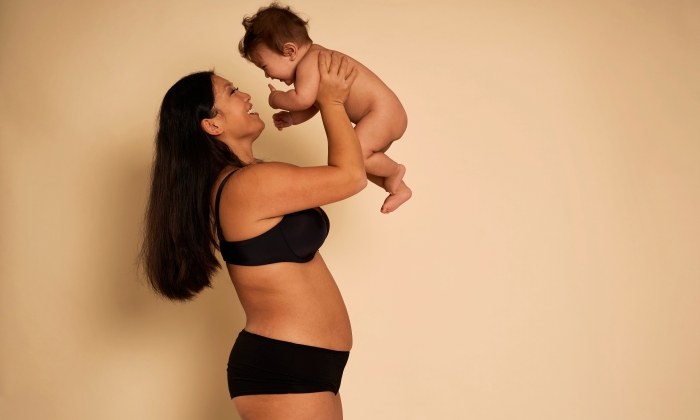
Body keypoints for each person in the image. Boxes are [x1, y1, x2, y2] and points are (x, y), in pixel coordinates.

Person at [140, 52, 363, 420]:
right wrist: (331, 100)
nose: (246, 96)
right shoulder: (250, 185)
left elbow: (352, 163)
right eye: (232, 92)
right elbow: (349, 176)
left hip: (308, 363)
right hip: (285, 367)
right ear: (212, 125)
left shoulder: (254, 177)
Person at [239, 2, 412, 214]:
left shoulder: (311, 61)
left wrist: (276, 99)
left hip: (383, 113)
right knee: (356, 162)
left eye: (264, 67)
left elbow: (303, 100)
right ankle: (399, 188)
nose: (267, 75)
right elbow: (315, 103)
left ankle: (395, 170)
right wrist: (293, 118)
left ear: (290, 50)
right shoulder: (314, 63)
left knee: (355, 155)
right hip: (383, 114)